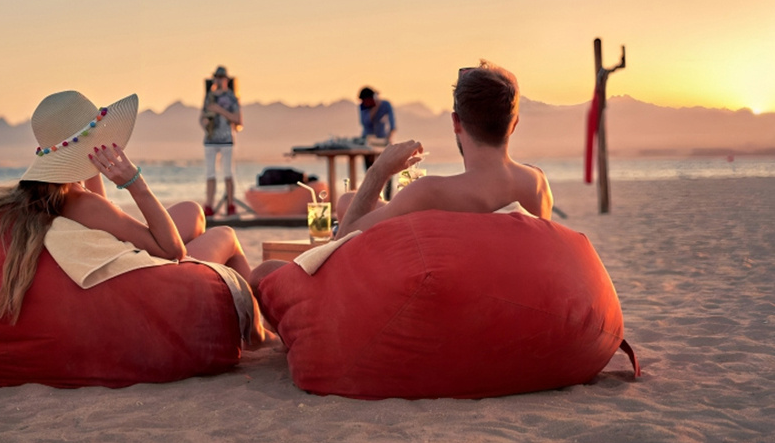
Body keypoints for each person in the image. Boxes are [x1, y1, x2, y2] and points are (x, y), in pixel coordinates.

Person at [0, 91, 263, 342]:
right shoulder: (81, 203)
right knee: (226, 236)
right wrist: (135, 183)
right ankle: (259, 334)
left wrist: (88, 161)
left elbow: (103, 216)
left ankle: (256, 328)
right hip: (155, 279)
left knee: (192, 211)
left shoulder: (44, 198)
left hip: (122, 259)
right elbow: (173, 251)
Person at [248, 61, 553, 291]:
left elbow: (340, 245)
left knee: (263, 273)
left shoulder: (432, 192)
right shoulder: (537, 185)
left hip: (441, 311)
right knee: (350, 201)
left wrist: (379, 170)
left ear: (456, 123)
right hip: (502, 301)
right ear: (514, 123)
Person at [200, 66, 243, 216]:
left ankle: (230, 205)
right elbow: (202, 117)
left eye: (220, 78)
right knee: (210, 174)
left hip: (226, 140)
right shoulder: (209, 96)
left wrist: (219, 110)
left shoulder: (232, 97)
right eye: (216, 77)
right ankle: (209, 205)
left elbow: (238, 119)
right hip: (210, 139)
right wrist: (205, 123)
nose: (218, 80)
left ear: (226, 80)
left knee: (228, 173)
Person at [357, 86, 396, 199]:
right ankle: (372, 198)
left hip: (382, 140)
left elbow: (392, 124)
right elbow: (365, 122)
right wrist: (375, 108)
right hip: (368, 141)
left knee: (388, 171)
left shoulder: (386, 105)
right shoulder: (363, 106)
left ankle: (387, 199)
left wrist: (389, 138)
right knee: (370, 172)